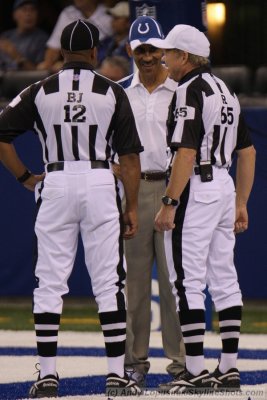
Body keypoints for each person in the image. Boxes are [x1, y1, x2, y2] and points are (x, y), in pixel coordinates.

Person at [0, 19, 143, 398]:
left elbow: (1, 135)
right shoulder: (112, 92)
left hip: (57, 181)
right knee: (109, 282)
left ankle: (47, 375)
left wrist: (25, 177)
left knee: (49, 281)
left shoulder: (38, 89)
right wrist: (131, 207)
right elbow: (129, 159)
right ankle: (116, 374)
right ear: (96, 53)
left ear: (62, 53)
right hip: (99, 181)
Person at [153, 24, 256, 393]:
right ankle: (228, 367)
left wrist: (169, 201)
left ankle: (195, 371)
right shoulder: (226, 91)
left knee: (187, 281)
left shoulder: (188, 91)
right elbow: (248, 152)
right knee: (225, 279)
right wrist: (240, 201)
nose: (163, 58)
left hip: (196, 188)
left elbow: (186, 152)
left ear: (184, 57)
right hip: (223, 185)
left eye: (168, 53)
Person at [116, 16, 185, 386]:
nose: (147, 56)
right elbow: (105, 146)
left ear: (164, 51)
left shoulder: (180, 92)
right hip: (135, 190)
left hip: (173, 189)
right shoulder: (119, 93)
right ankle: (134, 365)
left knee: (176, 281)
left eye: (153, 49)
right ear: (130, 50)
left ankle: (180, 364)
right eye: (140, 49)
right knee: (136, 284)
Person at [37, 0, 112, 72]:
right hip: (71, 66)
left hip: (103, 66)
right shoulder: (68, 13)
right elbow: (54, 47)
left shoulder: (108, 13)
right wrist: (48, 65)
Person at [0, 0, 48, 71]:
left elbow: (39, 73)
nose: (28, 14)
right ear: (15, 15)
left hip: (25, 81)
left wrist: (15, 54)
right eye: (24, 10)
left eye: (32, 10)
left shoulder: (42, 39)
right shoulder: (6, 36)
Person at [98, 1, 130, 66]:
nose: (112, 21)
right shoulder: (106, 41)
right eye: (112, 17)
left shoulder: (133, 45)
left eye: (116, 18)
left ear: (128, 22)